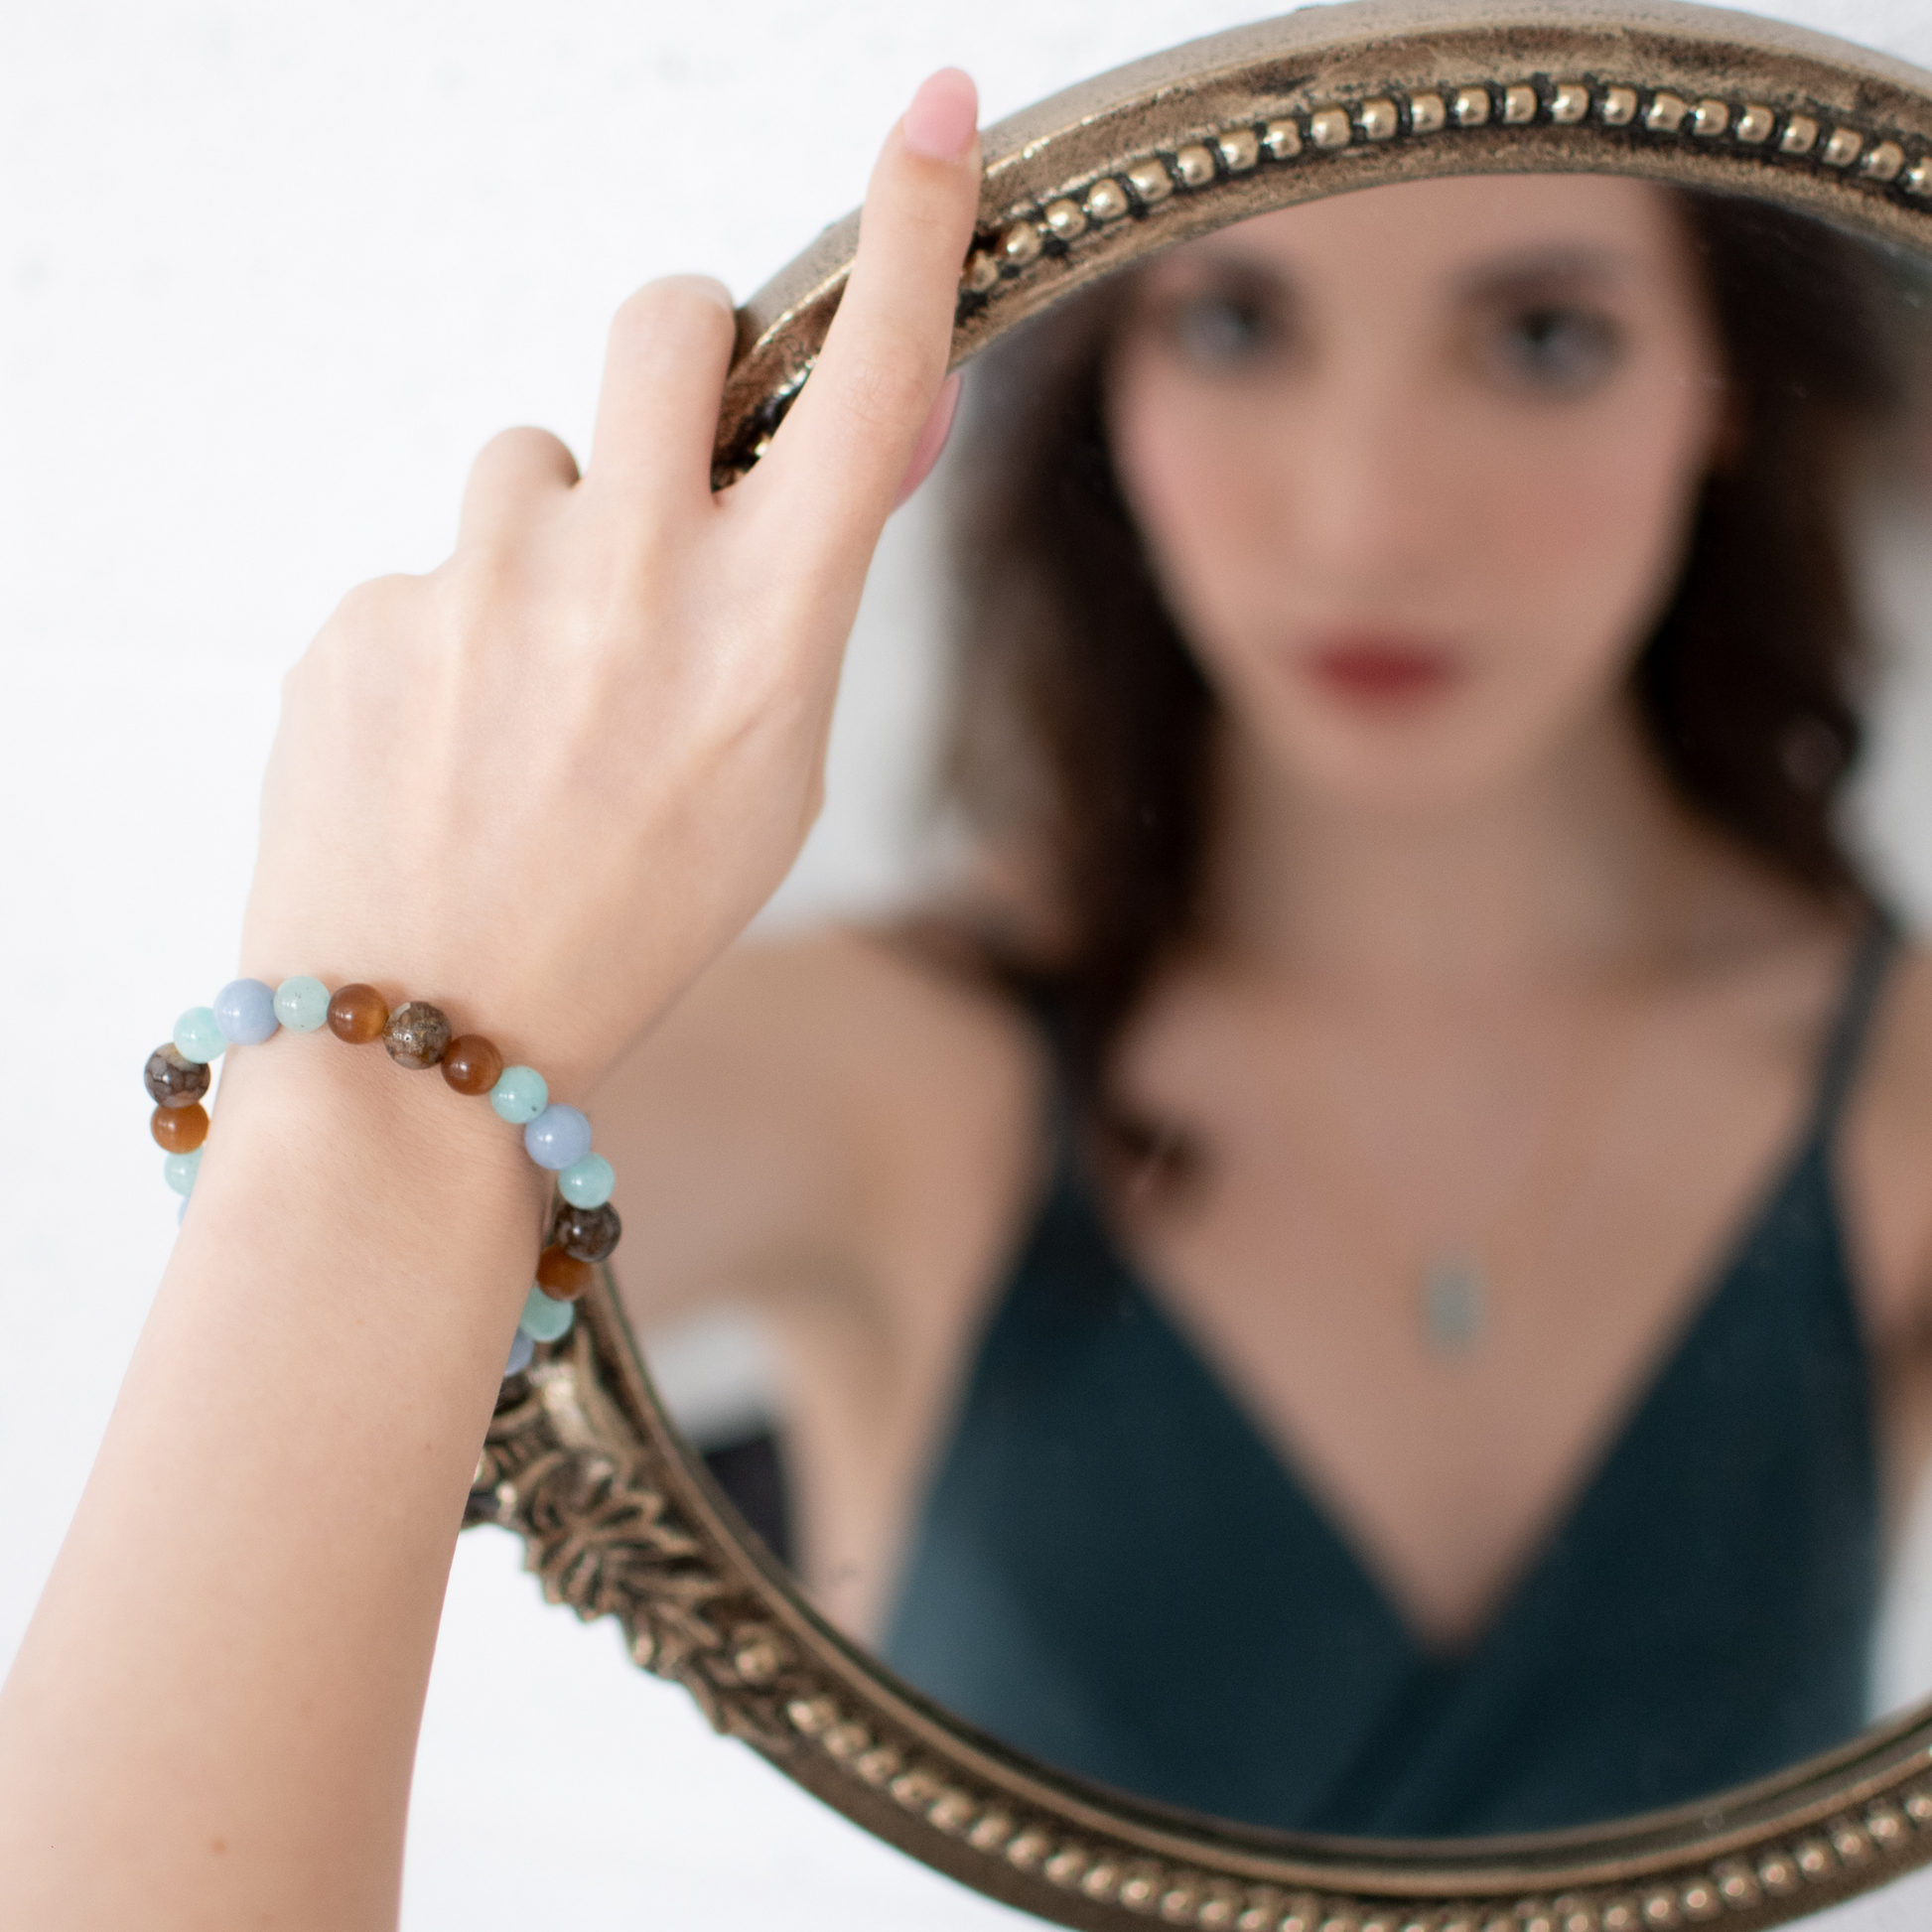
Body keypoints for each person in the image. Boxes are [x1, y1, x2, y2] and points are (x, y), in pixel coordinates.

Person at [0, 60, 1919, 1925]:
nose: (1368, 516)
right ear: (1112, 385)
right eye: (1238, 325)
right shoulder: (871, 1072)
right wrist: (387, 1006)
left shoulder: (1900, 1096)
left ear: (1721, 385)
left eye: (1541, 340)